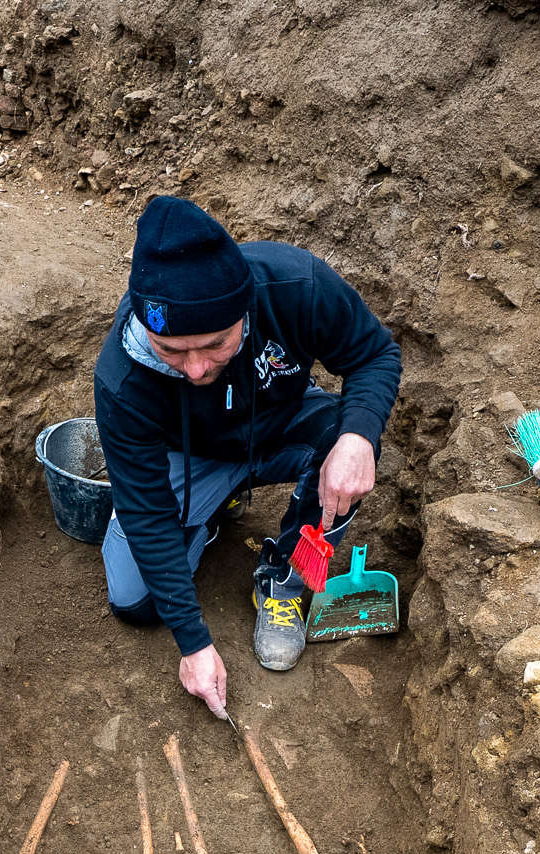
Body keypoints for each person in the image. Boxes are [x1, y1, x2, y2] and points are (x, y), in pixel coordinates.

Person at [94, 195, 401, 718]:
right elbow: (146, 514)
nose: (194, 369)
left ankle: (288, 578)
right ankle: (213, 508)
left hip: (281, 425)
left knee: (343, 441)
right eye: (171, 351)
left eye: (214, 345)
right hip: (191, 456)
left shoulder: (293, 285)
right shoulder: (123, 378)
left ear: (244, 313)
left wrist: (359, 437)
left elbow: (375, 354)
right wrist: (193, 645)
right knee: (138, 603)